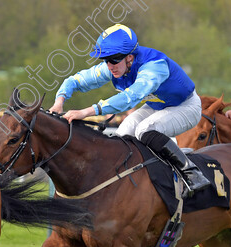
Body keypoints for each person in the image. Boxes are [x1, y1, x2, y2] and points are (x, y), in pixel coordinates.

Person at [50, 23, 210, 195]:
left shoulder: (154, 66)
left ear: (130, 57)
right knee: (123, 132)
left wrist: (86, 112)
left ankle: (191, 173)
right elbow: (75, 81)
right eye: (105, 60)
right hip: (158, 107)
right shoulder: (115, 66)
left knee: (144, 129)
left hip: (187, 107)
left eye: (113, 59)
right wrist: (60, 100)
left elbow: (129, 98)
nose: (109, 65)